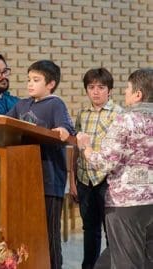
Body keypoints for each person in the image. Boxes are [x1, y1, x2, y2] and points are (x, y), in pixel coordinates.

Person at [76, 68, 153, 268]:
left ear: (138, 94)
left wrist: (86, 147)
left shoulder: (125, 119)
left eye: (127, 88)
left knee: (126, 262)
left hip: (126, 204)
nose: (125, 93)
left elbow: (104, 162)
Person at [7, 60, 76, 269]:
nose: (30, 84)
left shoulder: (56, 104)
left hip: (49, 179)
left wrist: (63, 130)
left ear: (50, 84)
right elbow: (5, 122)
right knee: (28, 230)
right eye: (28, 79)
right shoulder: (21, 105)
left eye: (36, 80)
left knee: (49, 232)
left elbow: (65, 129)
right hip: (24, 177)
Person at [70, 68, 123, 269]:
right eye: (91, 87)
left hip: (108, 181)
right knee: (89, 230)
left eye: (101, 87)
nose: (96, 92)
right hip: (85, 181)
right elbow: (76, 148)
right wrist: (72, 179)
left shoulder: (119, 114)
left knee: (112, 231)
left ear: (109, 90)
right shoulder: (82, 114)